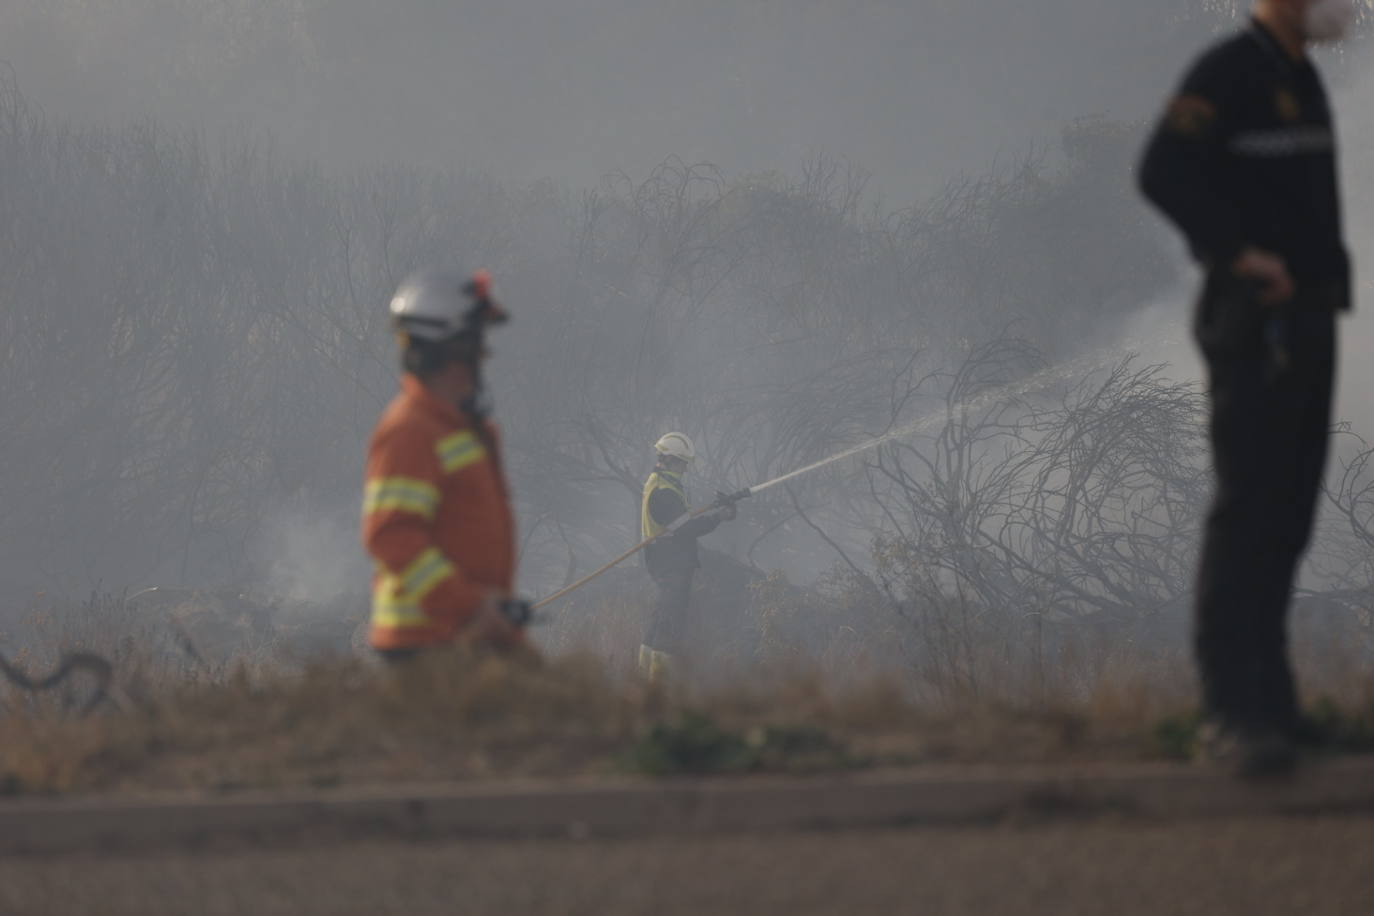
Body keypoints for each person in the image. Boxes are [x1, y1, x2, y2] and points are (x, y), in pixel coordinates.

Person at [1138, 0, 1356, 776]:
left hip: (1306, 324)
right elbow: (1161, 171)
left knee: (1289, 517)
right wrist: (1235, 253)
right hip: (1254, 330)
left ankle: (1276, 710)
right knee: (1251, 513)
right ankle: (1233, 715)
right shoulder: (1227, 73)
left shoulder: (1296, 76)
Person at [361, 268, 533, 661]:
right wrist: (469, 606)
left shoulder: (458, 430)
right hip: (428, 648)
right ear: (450, 350)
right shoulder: (410, 431)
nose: (484, 356)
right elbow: (391, 537)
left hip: (465, 638)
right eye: (476, 344)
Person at [638, 432, 737, 682]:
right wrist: (720, 517)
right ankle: (657, 685)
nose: (685, 467)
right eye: (682, 462)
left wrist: (715, 508)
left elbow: (682, 519)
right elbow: (686, 528)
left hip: (665, 558)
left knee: (661, 615)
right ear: (669, 460)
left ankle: (642, 676)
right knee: (671, 620)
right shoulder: (664, 491)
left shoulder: (662, 482)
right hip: (669, 561)